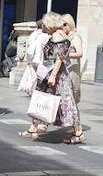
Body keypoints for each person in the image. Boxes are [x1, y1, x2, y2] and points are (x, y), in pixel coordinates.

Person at [36, 11, 84, 144]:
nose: (44, 27)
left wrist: (53, 75)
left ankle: (78, 131)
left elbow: (59, 57)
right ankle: (39, 124)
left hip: (58, 75)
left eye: (45, 24)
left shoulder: (57, 36)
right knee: (65, 102)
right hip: (55, 73)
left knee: (67, 102)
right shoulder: (58, 34)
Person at [60, 13, 84, 103]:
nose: (62, 28)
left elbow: (80, 53)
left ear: (69, 24)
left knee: (72, 97)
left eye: (63, 25)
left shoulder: (75, 37)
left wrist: (66, 54)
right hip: (65, 69)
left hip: (72, 70)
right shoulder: (65, 37)